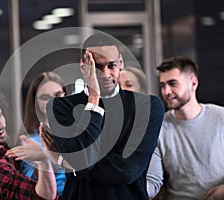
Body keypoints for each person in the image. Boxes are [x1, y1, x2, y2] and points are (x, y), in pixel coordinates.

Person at [43, 32, 164, 199]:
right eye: (96, 67)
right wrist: (93, 98)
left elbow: (127, 171)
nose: (105, 74)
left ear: (120, 63)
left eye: (111, 65)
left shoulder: (148, 107)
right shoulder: (60, 106)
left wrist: (66, 162)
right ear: (83, 66)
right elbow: (81, 162)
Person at [146, 56, 224, 200]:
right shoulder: (158, 127)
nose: (166, 91)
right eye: (162, 85)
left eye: (172, 83)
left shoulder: (221, 118)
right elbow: (153, 181)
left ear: (193, 84)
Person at [19, 72, 66, 197]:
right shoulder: (31, 141)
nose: (53, 101)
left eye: (58, 95)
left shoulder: (75, 130)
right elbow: (29, 186)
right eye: (45, 97)